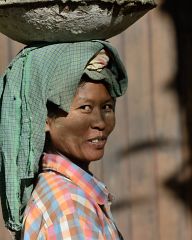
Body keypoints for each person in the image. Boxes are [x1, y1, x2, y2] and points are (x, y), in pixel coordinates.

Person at [0, 40, 128, 239]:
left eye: (107, 107)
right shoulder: (71, 209)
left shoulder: (65, 194)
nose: (100, 122)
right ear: (45, 119)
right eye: (85, 107)